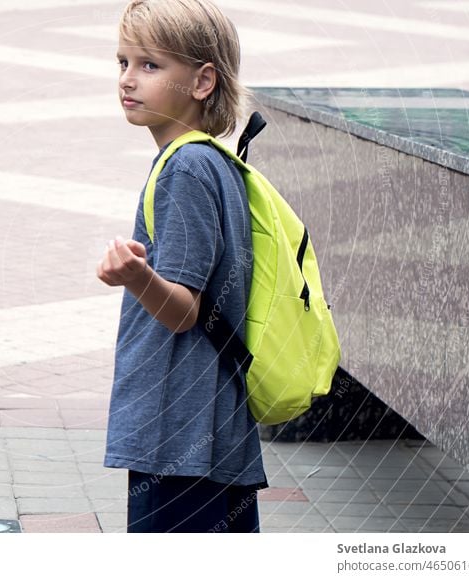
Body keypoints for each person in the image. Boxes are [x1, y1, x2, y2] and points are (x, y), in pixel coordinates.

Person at [96, 0, 267, 533]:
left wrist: (136, 277)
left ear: (202, 82)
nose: (128, 79)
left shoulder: (186, 169)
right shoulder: (210, 160)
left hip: (179, 432)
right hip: (210, 430)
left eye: (150, 65)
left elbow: (184, 311)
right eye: (122, 62)